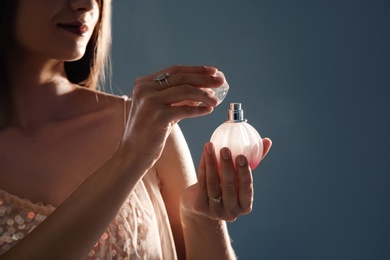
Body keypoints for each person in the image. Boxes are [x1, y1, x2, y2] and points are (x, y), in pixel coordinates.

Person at [0, 0, 272, 259]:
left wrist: (200, 217)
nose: (87, 4)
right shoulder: (141, 137)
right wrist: (130, 157)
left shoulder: (148, 125)